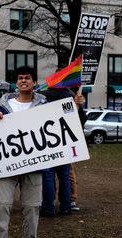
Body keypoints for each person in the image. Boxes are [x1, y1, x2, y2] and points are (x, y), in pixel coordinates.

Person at [0, 66, 47, 238]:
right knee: (1, 205)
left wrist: (77, 107)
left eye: (27, 78)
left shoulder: (45, 105)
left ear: (34, 83)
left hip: (35, 165)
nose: (23, 81)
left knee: (32, 207)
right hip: (7, 165)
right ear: (16, 83)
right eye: (20, 78)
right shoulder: (2, 106)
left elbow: (68, 122)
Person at [38, 87, 75, 217]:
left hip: (47, 140)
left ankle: (48, 207)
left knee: (48, 176)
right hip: (64, 140)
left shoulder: (42, 95)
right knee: (64, 176)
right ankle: (65, 206)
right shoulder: (71, 95)